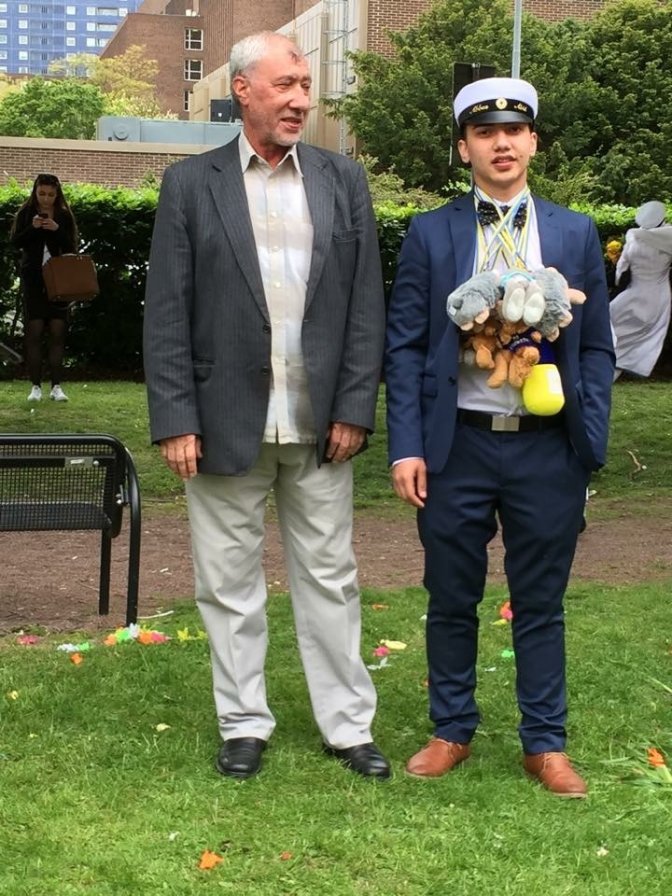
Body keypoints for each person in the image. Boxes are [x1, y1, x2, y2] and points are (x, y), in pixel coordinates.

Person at [143, 31, 389, 781]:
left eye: (305, 86)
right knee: (227, 584)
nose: (300, 100)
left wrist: (355, 406)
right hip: (221, 419)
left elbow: (364, 306)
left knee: (331, 579)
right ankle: (243, 724)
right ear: (243, 90)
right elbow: (168, 310)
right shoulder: (191, 184)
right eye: (285, 85)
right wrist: (176, 418)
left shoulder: (344, 180)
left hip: (322, 425)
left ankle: (348, 728)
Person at [385, 77, 615, 797]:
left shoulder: (575, 232)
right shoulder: (430, 233)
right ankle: (451, 729)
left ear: (533, 142)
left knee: (540, 601)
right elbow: (404, 347)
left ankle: (544, 743)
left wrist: (590, 433)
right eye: (485, 133)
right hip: (457, 445)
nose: (502, 143)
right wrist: (407, 446)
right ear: (465, 149)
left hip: (548, 447)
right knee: (451, 595)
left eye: (514, 131)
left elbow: (598, 347)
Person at [10, 173, 77, 402]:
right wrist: (33, 228)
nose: (46, 199)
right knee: (34, 332)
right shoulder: (26, 213)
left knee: (58, 332)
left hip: (59, 280)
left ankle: (56, 386)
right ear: (35, 192)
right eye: (41, 194)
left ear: (57, 195)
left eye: (50, 194)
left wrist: (56, 229)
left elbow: (71, 247)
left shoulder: (64, 216)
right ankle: (35, 387)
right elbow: (15, 242)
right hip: (34, 281)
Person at [609, 200, 672, 379]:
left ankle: (607, 368)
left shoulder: (633, 237)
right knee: (640, 337)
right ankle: (613, 369)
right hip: (657, 295)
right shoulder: (668, 236)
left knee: (611, 325)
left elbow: (620, 270)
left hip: (633, 293)